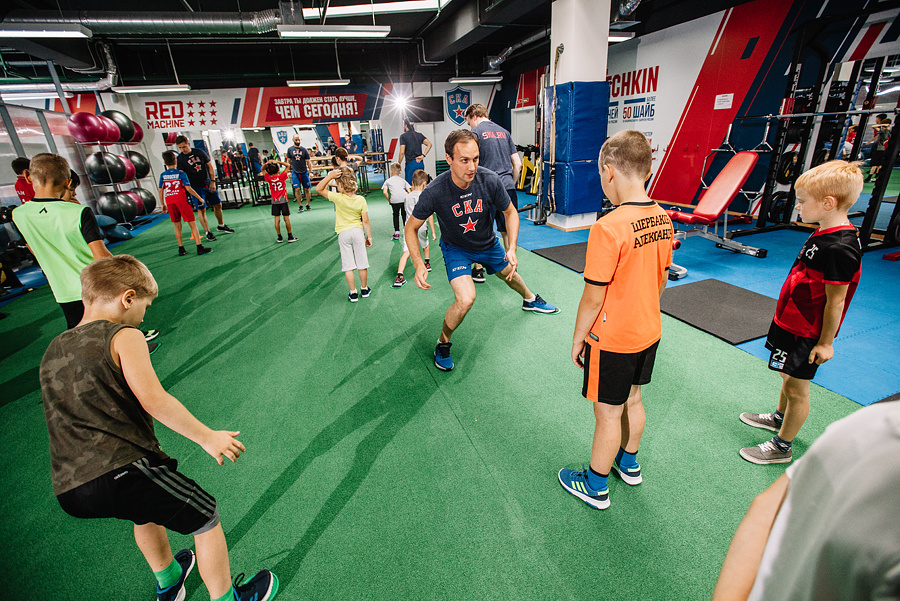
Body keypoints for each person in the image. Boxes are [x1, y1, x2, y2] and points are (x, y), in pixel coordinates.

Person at [39, 254, 279, 601]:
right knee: (205, 517)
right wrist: (206, 437)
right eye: (146, 306)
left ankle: (169, 582)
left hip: (70, 487)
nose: (143, 316)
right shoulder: (124, 335)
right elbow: (153, 398)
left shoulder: (53, 348)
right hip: (121, 470)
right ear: (128, 298)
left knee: (143, 513)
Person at [557, 130, 673, 510]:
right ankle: (630, 463)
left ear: (608, 172)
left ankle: (595, 485)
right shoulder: (663, 218)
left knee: (607, 413)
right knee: (634, 398)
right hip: (648, 330)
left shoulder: (608, 227)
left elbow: (593, 296)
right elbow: (661, 280)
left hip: (613, 339)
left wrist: (578, 338)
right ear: (647, 169)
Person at [712, 400, 900, 601]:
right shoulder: (866, 426)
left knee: (796, 389)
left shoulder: (864, 424)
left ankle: (781, 445)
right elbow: (766, 509)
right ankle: (779, 423)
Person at [739, 161, 863, 464]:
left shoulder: (840, 247)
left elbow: (836, 301)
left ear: (828, 203)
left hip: (807, 332)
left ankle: (782, 447)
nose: (797, 206)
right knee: (786, 375)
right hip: (791, 321)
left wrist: (825, 343)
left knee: (797, 388)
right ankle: (779, 417)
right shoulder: (823, 231)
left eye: (803, 201)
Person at [405, 129, 559, 372]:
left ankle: (530, 300)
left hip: (488, 244)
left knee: (509, 274)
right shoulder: (435, 191)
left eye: (476, 159)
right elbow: (411, 228)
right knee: (466, 299)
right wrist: (418, 264)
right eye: (464, 160)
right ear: (449, 159)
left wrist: (512, 248)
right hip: (456, 249)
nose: (472, 167)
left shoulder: (489, 180)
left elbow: (510, 212)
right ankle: (442, 343)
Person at [11, 153, 113, 329]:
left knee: (79, 332)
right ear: (68, 182)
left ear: (28, 176)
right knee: (114, 329)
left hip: (62, 289)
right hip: (94, 285)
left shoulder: (18, 215)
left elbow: (34, 250)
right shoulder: (79, 212)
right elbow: (101, 256)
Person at [464, 104, 523, 283]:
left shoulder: (476, 133)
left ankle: (478, 270)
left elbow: (471, 164)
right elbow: (517, 163)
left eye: (468, 122)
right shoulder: (505, 132)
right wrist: (511, 183)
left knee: (481, 230)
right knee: (507, 229)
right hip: (507, 186)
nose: (469, 126)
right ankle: (511, 266)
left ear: (474, 116)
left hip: (485, 188)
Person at [314, 167, 372, 303]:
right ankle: (364, 289)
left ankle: (353, 292)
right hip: (358, 232)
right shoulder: (361, 199)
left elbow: (318, 188)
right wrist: (369, 237)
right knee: (362, 263)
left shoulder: (338, 197)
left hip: (343, 234)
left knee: (348, 265)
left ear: (340, 185)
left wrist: (330, 176)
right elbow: (366, 220)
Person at [175, 136, 236, 240]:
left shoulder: (199, 152)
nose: (182, 149)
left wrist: (213, 181)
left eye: (184, 147)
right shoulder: (180, 159)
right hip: (195, 187)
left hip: (208, 183)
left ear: (188, 144)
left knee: (218, 204)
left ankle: (221, 225)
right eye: (180, 148)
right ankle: (208, 232)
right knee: (201, 209)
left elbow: (210, 166)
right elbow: (181, 174)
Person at [158, 150, 212, 257]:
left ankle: (181, 249)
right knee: (192, 223)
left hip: (170, 201)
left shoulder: (163, 175)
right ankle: (199, 247)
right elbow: (188, 188)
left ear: (165, 163)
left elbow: (160, 190)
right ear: (175, 161)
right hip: (181, 200)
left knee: (177, 225)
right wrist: (199, 198)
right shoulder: (181, 174)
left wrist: (162, 204)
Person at [393, 169, 436, 288]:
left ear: (412, 182)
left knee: (407, 251)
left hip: (409, 228)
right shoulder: (424, 197)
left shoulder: (407, 197)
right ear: (425, 184)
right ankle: (427, 263)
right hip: (421, 226)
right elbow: (429, 215)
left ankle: (399, 276)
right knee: (425, 244)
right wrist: (433, 231)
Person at [263, 160, 297, 243]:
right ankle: (290, 236)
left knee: (277, 219)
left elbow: (262, 169)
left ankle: (279, 237)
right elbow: (288, 165)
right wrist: (278, 161)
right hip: (283, 200)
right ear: (278, 169)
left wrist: (266, 163)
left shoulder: (269, 178)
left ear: (268, 170)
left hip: (275, 201)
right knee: (286, 218)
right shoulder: (282, 176)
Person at [398, 120, 433, 184]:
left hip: (410, 164)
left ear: (406, 125)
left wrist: (399, 163)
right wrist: (423, 155)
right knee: (421, 185)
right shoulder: (419, 135)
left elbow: (402, 152)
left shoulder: (403, 136)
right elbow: (429, 144)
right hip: (420, 163)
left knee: (410, 186)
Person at [382, 162, 410, 241]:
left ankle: (397, 233)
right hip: (404, 199)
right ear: (400, 171)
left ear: (391, 171)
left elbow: (385, 192)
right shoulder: (403, 180)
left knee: (396, 215)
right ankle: (407, 232)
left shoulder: (388, 181)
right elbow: (409, 191)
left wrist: (389, 200)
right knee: (404, 215)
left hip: (394, 201)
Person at [285, 134, 313, 212]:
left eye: (299, 139)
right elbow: (288, 161)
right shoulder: (290, 149)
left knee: (307, 188)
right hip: (295, 172)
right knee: (297, 189)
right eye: (296, 139)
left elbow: (308, 162)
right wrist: (288, 171)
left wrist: (310, 172)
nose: (297, 141)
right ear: (293, 140)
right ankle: (300, 205)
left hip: (304, 172)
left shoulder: (304, 150)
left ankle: (307, 204)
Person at [864, 114, 890, 182]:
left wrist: (882, 125)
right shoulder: (887, 131)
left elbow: (873, 126)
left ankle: (869, 177)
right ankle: (876, 177)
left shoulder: (884, 131)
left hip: (878, 149)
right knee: (879, 164)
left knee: (875, 164)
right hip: (881, 149)